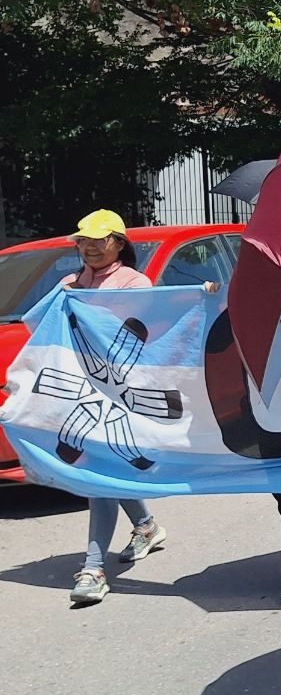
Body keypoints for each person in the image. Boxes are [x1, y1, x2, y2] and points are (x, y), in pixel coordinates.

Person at [61, 210, 170, 604]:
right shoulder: (70, 284)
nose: (88, 247)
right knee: (112, 468)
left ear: (118, 243)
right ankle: (145, 525)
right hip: (82, 391)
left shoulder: (134, 282)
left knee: (99, 476)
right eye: (83, 241)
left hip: (121, 396)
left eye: (97, 240)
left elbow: (148, 328)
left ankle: (94, 568)